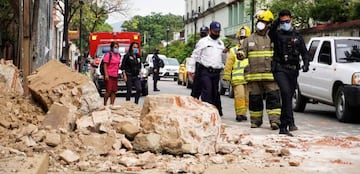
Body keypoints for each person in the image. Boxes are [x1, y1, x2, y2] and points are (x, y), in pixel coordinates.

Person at [268, 9, 310, 136]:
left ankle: (289, 122)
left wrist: (306, 64)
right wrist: (277, 21)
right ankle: (284, 127)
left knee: (288, 97)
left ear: (291, 20)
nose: (285, 23)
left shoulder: (297, 36)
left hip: (293, 70)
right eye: (283, 21)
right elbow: (270, 33)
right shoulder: (277, 35)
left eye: (287, 21)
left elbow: (304, 52)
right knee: (285, 93)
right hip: (280, 69)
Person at [239, 9, 281, 129]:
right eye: (258, 21)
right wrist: (240, 54)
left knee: (273, 99)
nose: (259, 23)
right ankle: (256, 121)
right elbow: (242, 50)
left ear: (269, 24)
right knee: (255, 99)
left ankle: (275, 121)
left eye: (262, 21)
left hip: (270, 76)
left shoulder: (273, 38)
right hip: (254, 76)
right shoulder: (249, 39)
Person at [191, 21, 228, 116]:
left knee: (214, 92)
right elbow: (195, 55)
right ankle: (206, 112)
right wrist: (191, 70)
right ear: (210, 31)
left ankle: (214, 112)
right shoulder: (203, 42)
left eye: (218, 32)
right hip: (205, 70)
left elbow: (223, 59)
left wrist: (224, 53)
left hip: (216, 72)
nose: (217, 33)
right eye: (215, 31)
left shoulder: (220, 43)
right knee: (207, 91)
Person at [223, 26, 251, 122]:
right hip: (237, 78)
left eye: (245, 38)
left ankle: (243, 114)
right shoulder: (233, 50)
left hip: (248, 78)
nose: (243, 40)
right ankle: (239, 114)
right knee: (240, 96)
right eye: (241, 38)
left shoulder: (251, 49)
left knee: (246, 98)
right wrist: (226, 75)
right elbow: (229, 64)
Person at [191, 26, 209, 99]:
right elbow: (195, 56)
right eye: (202, 33)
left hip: (208, 68)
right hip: (199, 67)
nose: (203, 35)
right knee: (196, 90)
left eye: (204, 33)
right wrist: (192, 70)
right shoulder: (199, 43)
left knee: (207, 91)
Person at [103, 42, 121, 106]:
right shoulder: (108, 55)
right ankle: (105, 104)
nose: (116, 49)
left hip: (115, 75)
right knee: (108, 90)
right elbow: (105, 65)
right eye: (115, 47)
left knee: (114, 91)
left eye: (117, 47)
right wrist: (106, 74)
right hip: (109, 75)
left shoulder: (119, 55)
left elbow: (118, 65)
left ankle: (112, 104)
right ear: (112, 48)